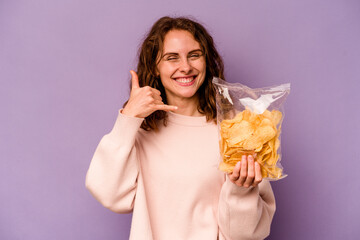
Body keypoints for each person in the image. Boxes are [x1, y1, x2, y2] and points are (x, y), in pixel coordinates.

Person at [85, 16, 276, 240]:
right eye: (171, 58)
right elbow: (109, 195)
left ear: (207, 61)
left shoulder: (236, 129)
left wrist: (241, 190)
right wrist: (127, 119)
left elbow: (245, 234)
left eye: (194, 55)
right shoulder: (139, 131)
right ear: (155, 68)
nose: (185, 67)